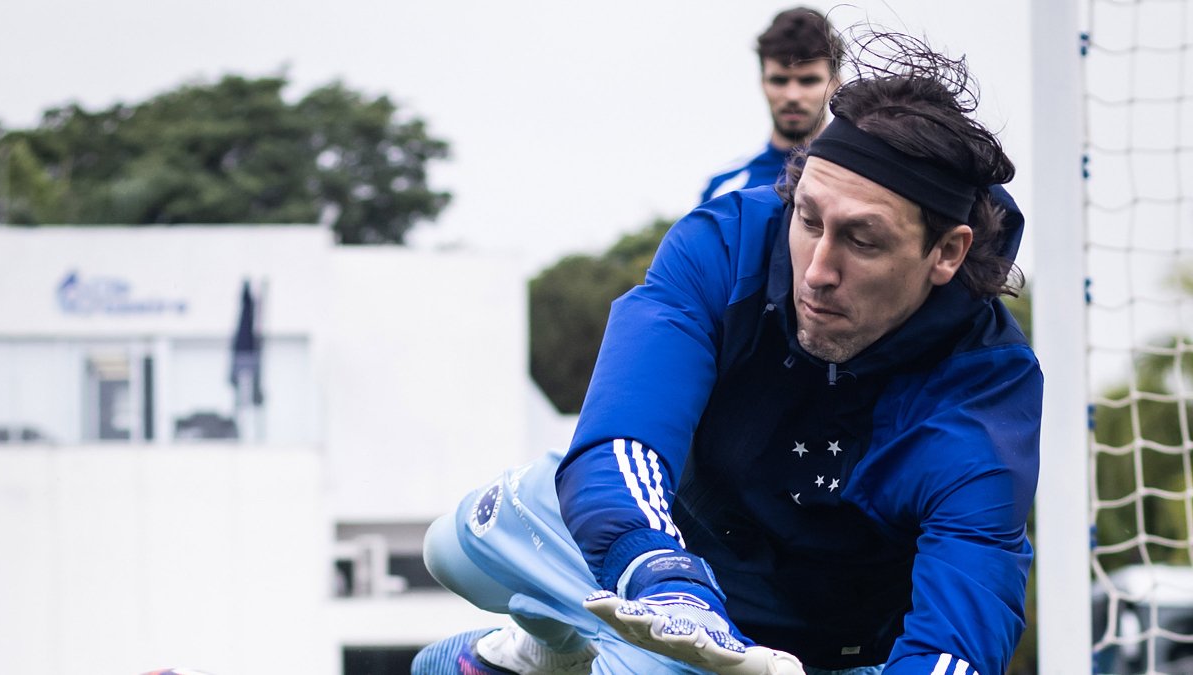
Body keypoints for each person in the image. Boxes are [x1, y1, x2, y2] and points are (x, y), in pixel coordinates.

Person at [412, 30, 1039, 675]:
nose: (817, 270)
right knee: (452, 549)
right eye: (809, 219)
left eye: (863, 240)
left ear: (948, 253)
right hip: (661, 551)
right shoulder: (726, 243)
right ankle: (545, 646)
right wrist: (664, 575)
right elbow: (620, 439)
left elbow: (956, 649)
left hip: (797, 643)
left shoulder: (984, 391)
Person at [700, 8, 843, 203]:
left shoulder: (861, 178)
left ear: (836, 83)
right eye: (779, 81)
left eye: (808, 81)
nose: (792, 95)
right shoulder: (724, 187)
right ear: (762, 82)